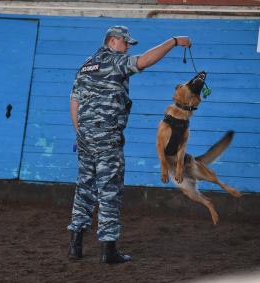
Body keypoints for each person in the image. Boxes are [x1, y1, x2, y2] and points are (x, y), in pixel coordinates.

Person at [68, 25, 191, 264]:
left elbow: (74, 102)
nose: (127, 48)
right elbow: (144, 61)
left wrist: (80, 132)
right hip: (107, 139)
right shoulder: (115, 62)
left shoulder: (86, 65)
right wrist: (174, 41)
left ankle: (75, 246)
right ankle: (108, 250)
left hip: (85, 138)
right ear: (113, 41)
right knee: (109, 191)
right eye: (125, 43)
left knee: (84, 190)